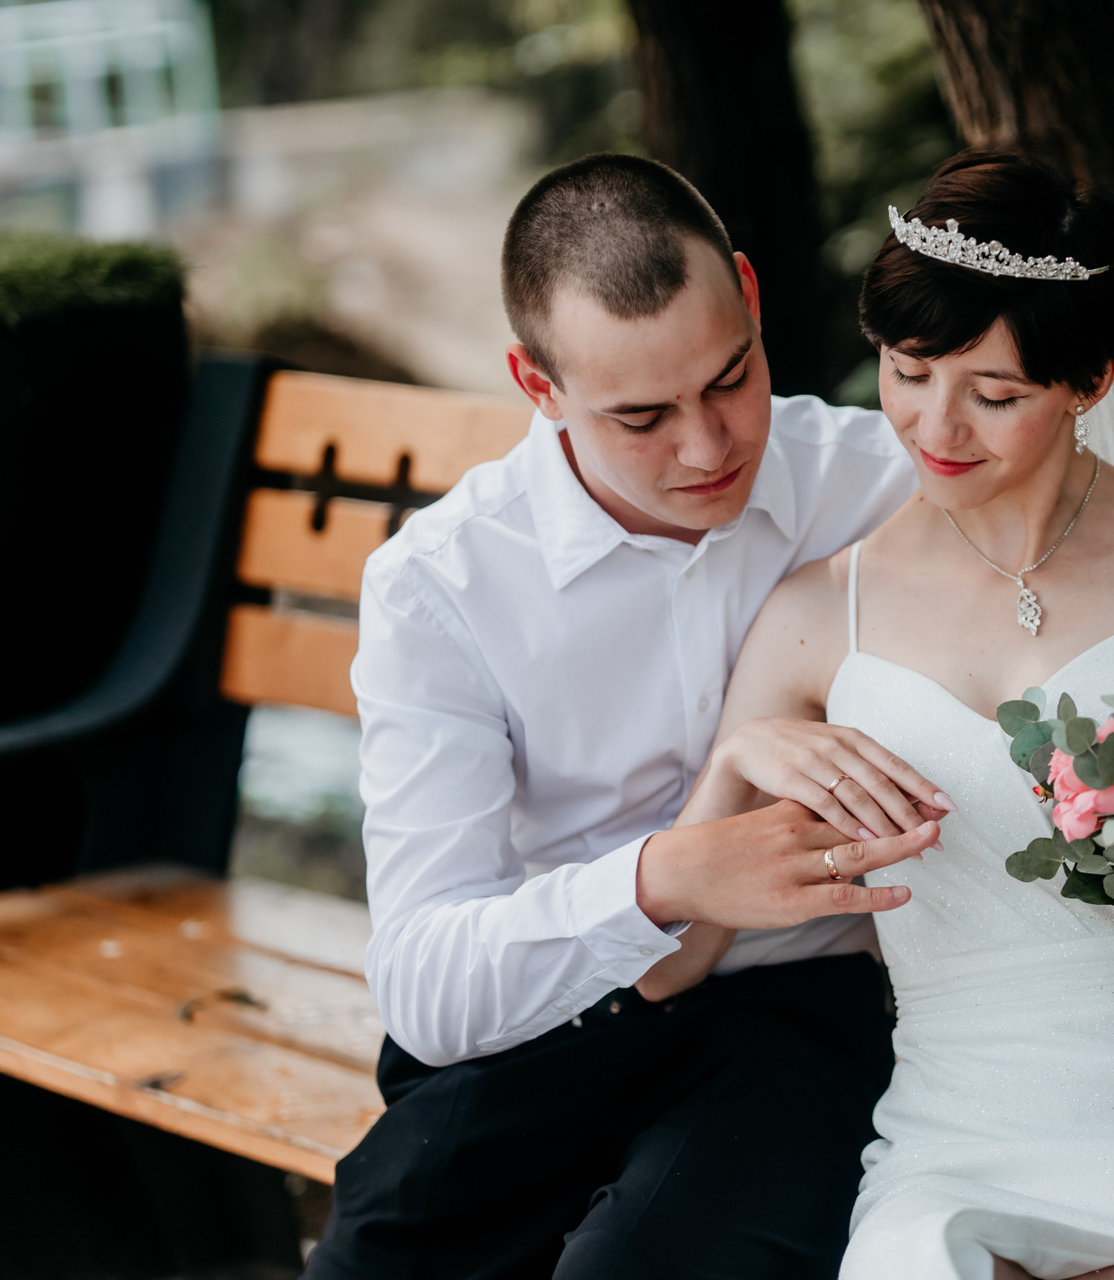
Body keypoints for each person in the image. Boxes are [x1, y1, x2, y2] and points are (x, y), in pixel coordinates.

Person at [650, 151, 1114, 1280]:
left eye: (995, 395)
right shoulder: (817, 615)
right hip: (960, 1142)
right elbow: (672, 964)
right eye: (907, 370)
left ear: (1094, 379)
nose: (935, 425)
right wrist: (736, 765)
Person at [302, 153, 953, 1280]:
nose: (708, 447)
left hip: (797, 1015)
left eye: (730, 378)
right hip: (542, 1018)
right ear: (537, 383)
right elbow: (424, 983)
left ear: (749, 296)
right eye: (641, 416)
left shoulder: (884, 485)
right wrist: (662, 880)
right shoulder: (443, 582)